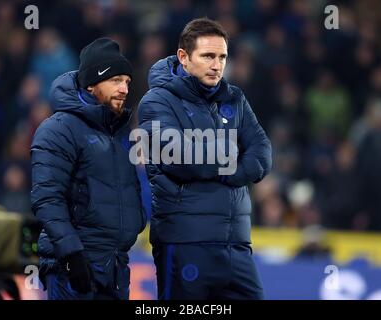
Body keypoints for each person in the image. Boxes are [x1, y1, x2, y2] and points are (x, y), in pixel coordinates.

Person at [137, 18, 272, 299]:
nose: (217, 64)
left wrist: (225, 171)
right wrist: (233, 157)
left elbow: (262, 153)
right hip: (186, 242)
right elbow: (179, 158)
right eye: (208, 56)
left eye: (222, 56)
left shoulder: (235, 98)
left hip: (236, 244)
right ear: (183, 58)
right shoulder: (157, 101)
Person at [31, 38, 146, 300]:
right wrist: (71, 255)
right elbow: (47, 198)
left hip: (116, 267)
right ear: (92, 84)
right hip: (73, 268)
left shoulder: (120, 133)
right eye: (116, 80)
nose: (124, 88)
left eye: (127, 82)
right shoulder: (58, 129)